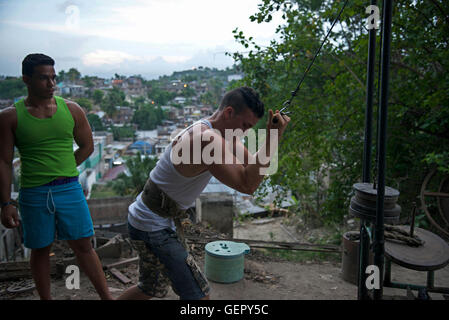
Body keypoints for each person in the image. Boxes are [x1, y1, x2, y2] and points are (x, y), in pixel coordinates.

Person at [118, 86, 290, 300]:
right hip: (153, 227)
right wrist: (273, 138)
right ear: (229, 113)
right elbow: (248, 185)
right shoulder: (207, 139)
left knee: (150, 288)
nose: (245, 132)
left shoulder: (217, 131)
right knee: (199, 296)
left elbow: (250, 164)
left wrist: (273, 137)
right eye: (245, 125)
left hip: (146, 219)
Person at [0, 53, 113, 300]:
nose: (51, 84)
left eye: (53, 78)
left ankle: (107, 297)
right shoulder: (10, 116)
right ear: (26, 80)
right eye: (43, 78)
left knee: (84, 246)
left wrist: (62, 168)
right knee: (40, 250)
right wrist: (6, 203)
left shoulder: (72, 110)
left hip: (69, 189)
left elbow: (88, 147)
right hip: (34, 193)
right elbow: (4, 161)